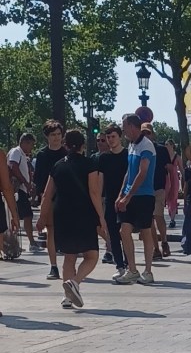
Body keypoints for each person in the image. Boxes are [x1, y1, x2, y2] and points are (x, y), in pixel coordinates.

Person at [36, 129, 106, 309]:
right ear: (83, 145)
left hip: (62, 214)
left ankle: (67, 297)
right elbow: (94, 192)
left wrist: (42, 218)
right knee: (92, 255)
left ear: (66, 145)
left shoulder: (58, 165)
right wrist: (101, 216)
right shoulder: (89, 163)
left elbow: (47, 195)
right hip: (83, 212)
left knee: (69, 256)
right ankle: (75, 282)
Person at [113, 113, 157, 285]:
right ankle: (132, 269)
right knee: (124, 231)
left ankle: (148, 270)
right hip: (130, 195)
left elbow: (142, 172)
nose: (123, 130)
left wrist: (128, 196)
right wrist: (121, 195)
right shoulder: (131, 145)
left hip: (144, 196)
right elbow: (129, 172)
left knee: (146, 232)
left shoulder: (147, 145)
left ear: (132, 126)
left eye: (124, 127)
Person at [33, 120, 66, 280]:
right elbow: (39, 180)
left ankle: (69, 264)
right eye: (53, 135)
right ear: (47, 136)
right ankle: (54, 266)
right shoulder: (42, 155)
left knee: (67, 232)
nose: (56, 138)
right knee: (51, 231)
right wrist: (42, 203)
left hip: (67, 198)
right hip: (49, 199)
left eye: (59, 134)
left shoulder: (67, 153)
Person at [96, 124, 129, 275]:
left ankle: (130, 264)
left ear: (120, 136)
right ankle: (120, 266)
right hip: (109, 200)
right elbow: (100, 181)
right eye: (108, 137)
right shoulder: (103, 158)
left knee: (125, 232)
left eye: (113, 136)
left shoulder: (128, 155)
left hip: (126, 199)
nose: (110, 140)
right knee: (113, 234)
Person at [141, 124, 171, 259]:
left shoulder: (161, 150)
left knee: (158, 217)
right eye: (143, 133)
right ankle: (156, 248)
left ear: (152, 134)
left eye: (148, 133)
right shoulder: (138, 149)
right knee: (149, 220)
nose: (146, 135)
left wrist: (172, 189)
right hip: (145, 189)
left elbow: (170, 169)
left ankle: (164, 241)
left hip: (159, 188)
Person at [7, 132, 38, 253]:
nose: (31, 148)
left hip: (21, 189)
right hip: (18, 189)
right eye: (31, 144)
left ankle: (13, 242)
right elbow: (13, 166)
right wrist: (25, 182)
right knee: (27, 215)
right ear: (25, 142)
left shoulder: (21, 154)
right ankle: (31, 242)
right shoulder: (16, 152)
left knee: (18, 216)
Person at [164, 139, 182, 228]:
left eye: (167, 144)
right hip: (166, 179)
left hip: (174, 179)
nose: (165, 146)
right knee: (168, 199)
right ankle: (171, 215)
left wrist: (184, 181)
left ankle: (172, 219)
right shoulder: (164, 156)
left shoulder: (177, 157)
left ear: (172, 145)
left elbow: (182, 169)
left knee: (173, 198)